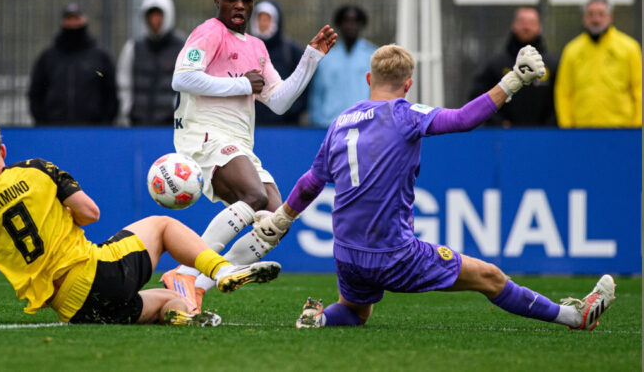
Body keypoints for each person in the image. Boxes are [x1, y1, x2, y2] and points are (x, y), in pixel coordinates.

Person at [252, 44, 615, 330]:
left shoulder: (340, 123)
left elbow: (312, 181)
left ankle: (322, 318)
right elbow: (463, 119)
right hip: (393, 254)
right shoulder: (405, 114)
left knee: (355, 311)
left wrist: (283, 218)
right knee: (489, 277)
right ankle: (575, 318)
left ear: (368, 78)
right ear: (408, 85)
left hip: (346, 255)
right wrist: (512, 82)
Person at [0, 117, 281, 326]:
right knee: (162, 226)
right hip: (96, 273)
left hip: (73, 309)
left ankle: (180, 311)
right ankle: (222, 270)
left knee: (165, 302)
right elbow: (90, 212)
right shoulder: (35, 170)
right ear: (2, 149)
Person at [163, 0, 337, 310]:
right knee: (253, 194)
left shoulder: (257, 48)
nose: (240, 6)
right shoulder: (210, 32)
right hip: (204, 135)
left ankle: (195, 286)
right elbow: (181, 78)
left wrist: (310, 58)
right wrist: (241, 83)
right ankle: (185, 270)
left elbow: (280, 101)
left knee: (279, 218)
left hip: (238, 144)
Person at [554, 0, 642, 128]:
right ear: (584, 18)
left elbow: (639, 89)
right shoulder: (571, 50)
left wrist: (636, 126)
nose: (596, 19)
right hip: (581, 129)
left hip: (621, 128)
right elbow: (563, 92)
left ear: (610, 17)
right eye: (591, 14)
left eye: (601, 14)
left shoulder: (630, 48)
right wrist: (567, 127)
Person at [28, 3, 119, 126]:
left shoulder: (101, 57)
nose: (73, 24)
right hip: (54, 130)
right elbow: (36, 93)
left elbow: (111, 93)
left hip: (93, 131)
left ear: (84, 20)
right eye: (69, 19)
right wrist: (43, 123)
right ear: (63, 22)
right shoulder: (48, 58)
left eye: (76, 19)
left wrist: (103, 124)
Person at [469, 7, 559, 127]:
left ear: (539, 27)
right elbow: (477, 97)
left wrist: (550, 126)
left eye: (531, 23)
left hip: (546, 137)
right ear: (514, 25)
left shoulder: (554, 65)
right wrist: (498, 123)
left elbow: (564, 99)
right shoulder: (495, 64)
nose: (526, 27)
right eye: (522, 22)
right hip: (503, 139)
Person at [116, 0, 186, 126]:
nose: (155, 21)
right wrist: (126, 113)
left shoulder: (183, 48)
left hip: (170, 126)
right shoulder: (133, 48)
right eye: (151, 16)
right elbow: (124, 85)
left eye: (159, 16)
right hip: (138, 125)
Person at [308, 5, 376, 127]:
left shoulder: (372, 55)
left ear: (361, 24)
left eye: (355, 21)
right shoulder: (326, 57)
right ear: (339, 24)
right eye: (346, 21)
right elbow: (317, 93)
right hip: (329, 124)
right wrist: (316, 120)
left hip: (363, 123)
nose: (351, 26)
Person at [250, 0, 306, 125]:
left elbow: (304, 83)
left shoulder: (291, 52)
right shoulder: (245, 49)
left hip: (286, 126)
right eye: (260, 19)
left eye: (267, 19)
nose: (263, 23)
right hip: (253, 124)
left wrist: (292, 111)